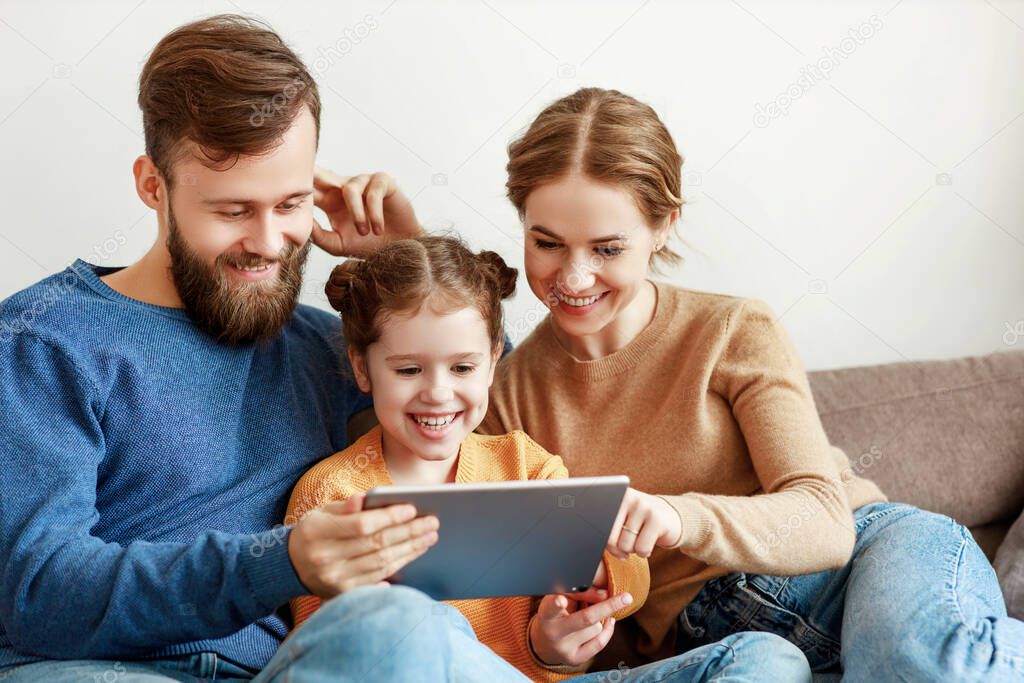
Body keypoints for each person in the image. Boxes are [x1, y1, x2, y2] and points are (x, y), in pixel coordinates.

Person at [0, 15, 520, 683]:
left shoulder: (329, 348)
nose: (271, 241)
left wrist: (412, 260)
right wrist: (284, 560)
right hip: (97, 668)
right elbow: (38, 593)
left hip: (301, 669)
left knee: (413, 626)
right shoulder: (44, 340)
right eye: (233, 210)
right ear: (152, 185)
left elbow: (500, 387)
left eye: (292, 203)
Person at [479, 87, 1024, 682]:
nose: (574, 277)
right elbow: (552, 614)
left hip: (867, 562)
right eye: (547, 243)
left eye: (607, 248)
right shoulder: (503, 398)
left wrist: (680, 518)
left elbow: (825, 520)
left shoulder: (731, 330)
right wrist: (553, 645)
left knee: (921, 665)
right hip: (726, 647)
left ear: (664, 227)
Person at [284, 234, 811, 682]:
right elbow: (322, 653)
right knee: (415, 623)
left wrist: (555, 639)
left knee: (769, 658)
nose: (438, 394)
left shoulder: (524, 464)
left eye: (462, 368)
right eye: (408, 371)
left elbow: (620, 582)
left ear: (493, 363)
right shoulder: (331, 495)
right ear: (362, 369)